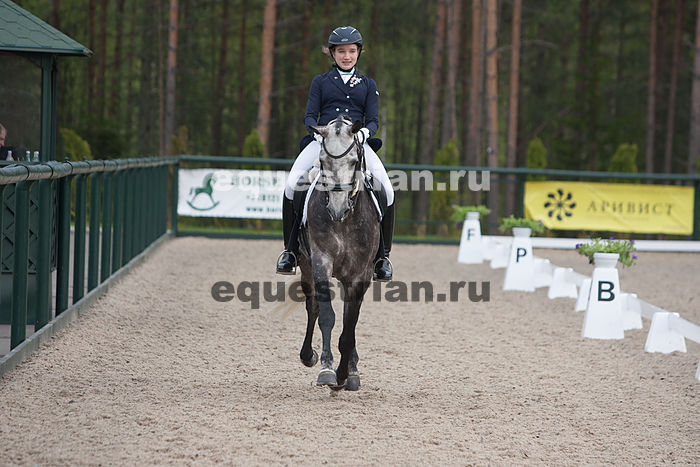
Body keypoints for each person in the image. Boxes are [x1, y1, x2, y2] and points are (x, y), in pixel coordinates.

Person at [276, 26, 395, 281]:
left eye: (351, 51)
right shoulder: (320, 82)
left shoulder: (368, 84)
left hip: (355, 143)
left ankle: (382, 257)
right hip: (324, 142)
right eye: (341, 51)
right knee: (291, 186)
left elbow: (373, 120)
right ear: (332, 53)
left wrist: (363, 135)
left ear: (358, 53)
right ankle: (290, 251)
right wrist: (319, 134)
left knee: (387, 188)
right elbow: (310, 116)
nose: (347, 56)